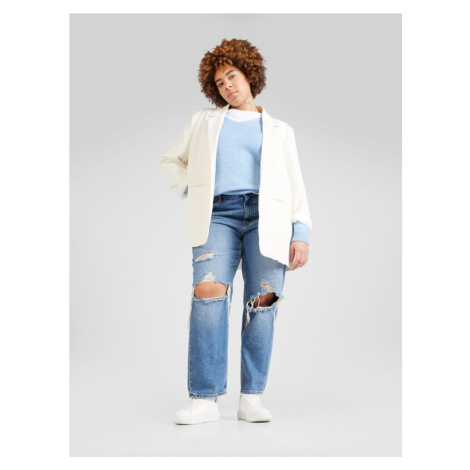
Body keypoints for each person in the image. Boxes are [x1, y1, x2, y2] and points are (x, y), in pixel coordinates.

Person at [159, 38, 312, 425]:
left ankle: (251, 398)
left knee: (264, 302)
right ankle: (204, 399)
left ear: (250, 74)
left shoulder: (280, 130)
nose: (227, 85)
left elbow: (295, 185)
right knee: (208, 292)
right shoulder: (204, 121)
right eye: (220, 82)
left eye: (232, 76)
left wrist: (301, 232)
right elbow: (170, 161)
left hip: (268, 218)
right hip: (218, 214)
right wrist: (192, 187)